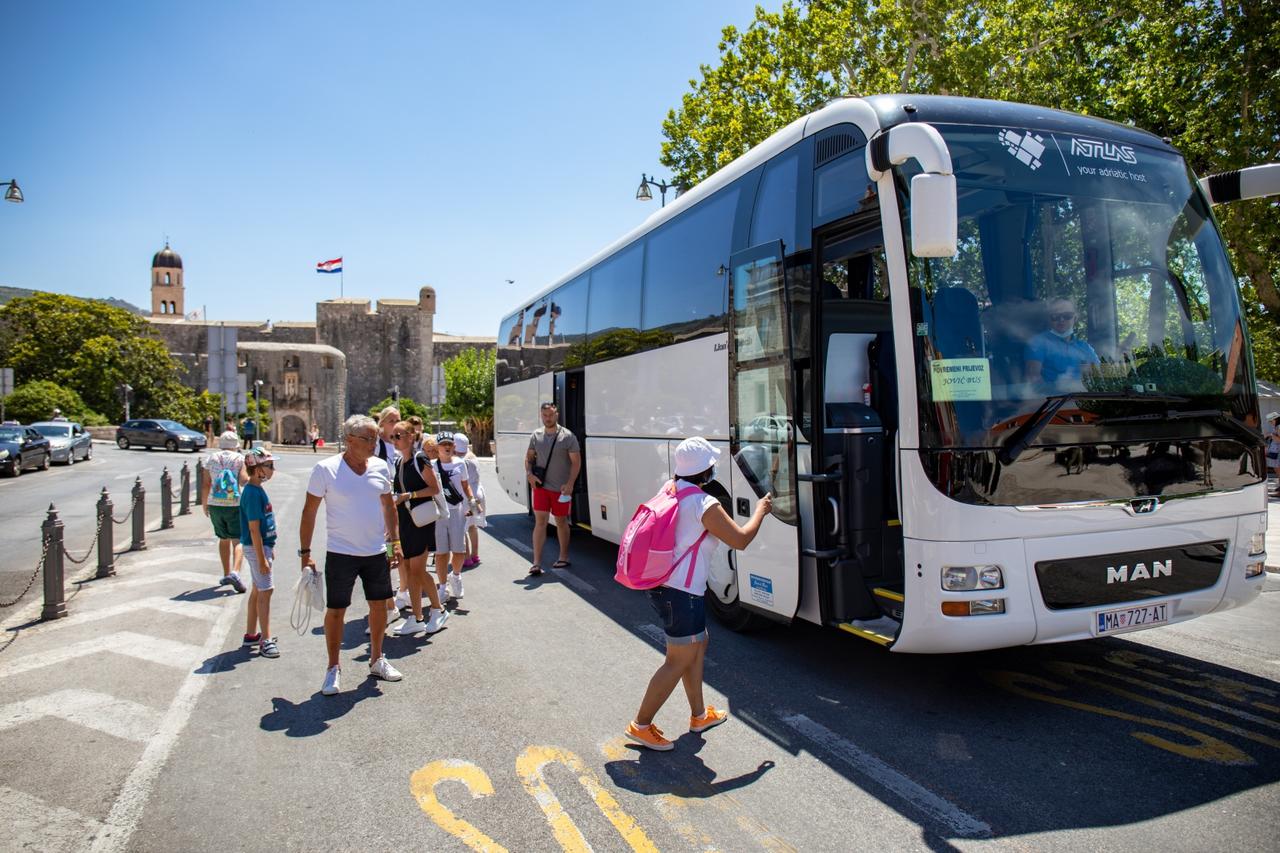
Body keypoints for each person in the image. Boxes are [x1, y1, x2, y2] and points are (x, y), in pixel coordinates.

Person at [626, 437, 772, 751]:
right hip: (681, 593)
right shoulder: (704, 504)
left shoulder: (671, 489)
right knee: (677, 660)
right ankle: (641, 725)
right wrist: (761, 510)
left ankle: (699, 715)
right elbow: (741, 540)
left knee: (697, 644)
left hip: (668, 587)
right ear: (707, 471)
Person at [298, 414, 405, 695]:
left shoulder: (381, 467)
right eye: (368, 439)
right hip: (340, 552)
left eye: (375, 438)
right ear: (349, 441)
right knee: (337, 611)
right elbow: (309, 512)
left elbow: (389, 506)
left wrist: (395, 542)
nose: (374, 443)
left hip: (375, 552)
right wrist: (305, 553)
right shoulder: (325, 469)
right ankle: (333, 668)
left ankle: (377, 659)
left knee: (379, 606)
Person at [391, 422, 449, 635]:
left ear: (411, 436)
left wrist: (410, 495)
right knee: (409, 570)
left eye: (399, 435)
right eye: (393, 436)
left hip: (422, 521)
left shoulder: (420, 458)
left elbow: (433, 488)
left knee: (416, 570)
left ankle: (437, 609)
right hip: (406, 521)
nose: (395, 439)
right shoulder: (398, 463)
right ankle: (417, 617)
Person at [525, 401, 580, 575]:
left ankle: (564, 557)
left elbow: (576, 463)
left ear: (557, 415)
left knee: (561, 522)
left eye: (550, 415)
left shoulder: (568, 436)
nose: (547, 418)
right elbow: (529, 459)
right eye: (544, 415)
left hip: (561, 490)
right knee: (540, 523)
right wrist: (529, 474)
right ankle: (536, 563)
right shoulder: (536, 435)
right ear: (541, 415)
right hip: (541, 488)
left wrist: (570, 483)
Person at [239, 448, 279, 658]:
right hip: (257, 547)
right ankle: (266, 639)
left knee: (257, 589)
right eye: (269, 466)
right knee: (266, 591)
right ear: (257, 470)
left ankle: (251, 633)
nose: (273, 469)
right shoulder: (253, 493)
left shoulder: (256, 489)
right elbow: (254, 528)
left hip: (262, 546)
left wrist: (269, 547)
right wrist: (262, 557)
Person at [202, 431, 247, 597]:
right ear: (236, 445)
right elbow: (243, 480)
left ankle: (226, 572)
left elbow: (206, 484)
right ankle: (235, 572)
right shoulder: (239, 459)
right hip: (234, 504)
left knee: (223, 538)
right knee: (238, 540)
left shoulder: (211, 458)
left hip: (215, 504)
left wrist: (205, 504)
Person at [434, 432, 478, 600]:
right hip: (439, 513)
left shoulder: (460, 464)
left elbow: (466, 486)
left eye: (449, 444)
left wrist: (473, 502)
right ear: (437, 448)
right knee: (441, 552)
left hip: (457, 511)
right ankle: (443, 586)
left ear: (454, 447)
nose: (447, 447)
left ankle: (456, 576)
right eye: (443, 444)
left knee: (459, 550)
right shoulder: (431, 465)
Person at [1025, 297, 1100, 388]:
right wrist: (1057, 387)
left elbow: (1101, 376)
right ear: (1049, 318)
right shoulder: (1038, 342)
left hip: (1085, 399)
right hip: (1054, 400)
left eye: (1067, 316)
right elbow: (1033, 378)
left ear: (1075, 317)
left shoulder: (1085, 347)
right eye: (1055, 316)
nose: (1061, 320)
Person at [454, 432, 486, 568]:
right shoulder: (472, 456)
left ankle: (466, 558)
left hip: (467, 496)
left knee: (462, 527)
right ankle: (475, 555)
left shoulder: (459, 462)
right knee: (473, 526)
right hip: (478, 493)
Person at [1266, 412, 1280, 495]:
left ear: (1275, 419)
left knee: (1279, 471)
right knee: (1277, 471)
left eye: (1271, 421)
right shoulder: (1277, 427)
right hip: (1276, 452)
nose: (1270, 423)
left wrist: (1270, 435)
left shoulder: (1279, 427)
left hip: (1278, 452)